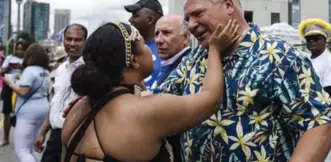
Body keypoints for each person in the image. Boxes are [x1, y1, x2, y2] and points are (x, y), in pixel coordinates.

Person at [149, 0, 331, 161]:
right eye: (187, 18)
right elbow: (156, 101)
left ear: (228, 5)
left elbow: (320, 125)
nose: (190, 25)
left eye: (197, 14)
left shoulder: (278, 56)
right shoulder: (194, 58)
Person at [61, 21, 239, 162]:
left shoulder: (78, 109)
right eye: (144, 43)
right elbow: (211, 99)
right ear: (134, 60)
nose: (152, 46)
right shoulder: (145, 110)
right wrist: (215, 50)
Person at [35, 24, 87, 162]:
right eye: (69, 39)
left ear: (85, 42)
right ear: (63, 40)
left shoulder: (90, 70)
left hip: (77, 137)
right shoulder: (61, 69)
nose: (72, 43)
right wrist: (42, 133)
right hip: (55, 136)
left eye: (77, 40)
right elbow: (55, 103)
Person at [298, 18, 331, 162]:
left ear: (325, 40)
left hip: (324, 119)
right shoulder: (306, 60)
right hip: (308, 119)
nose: (311, 41)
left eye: (316, 38)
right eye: (308, 38)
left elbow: (329, 95)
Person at [150, 15, 191, 162]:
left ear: (186, 37)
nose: (159, 40)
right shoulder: (168, 64)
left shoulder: (188, 67)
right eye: (156, 34)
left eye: (166, 33)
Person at [4, 44, 50, 162]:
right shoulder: (45, 71)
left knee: (22, 150)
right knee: (32, 148)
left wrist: (10, 82)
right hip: (43, 110)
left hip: (28, 113)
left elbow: (23, 92)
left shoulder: (30, 70)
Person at [125, 0, 163, 89]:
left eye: (136, 15)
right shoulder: (128, 48)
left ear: (150, 19)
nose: (130, 19)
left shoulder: (166, 49)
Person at [0, 39, 29, 147]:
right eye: (17, 49)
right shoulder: (9, 58)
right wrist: (8, 68)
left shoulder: (28, 59)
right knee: (6, 113)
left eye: (22, 49)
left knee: (22, 114)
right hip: (9, 87)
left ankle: (21, 140)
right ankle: (6, 138)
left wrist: (23, 67)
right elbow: (1, 71)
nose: (19, 51)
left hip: (23, 87)